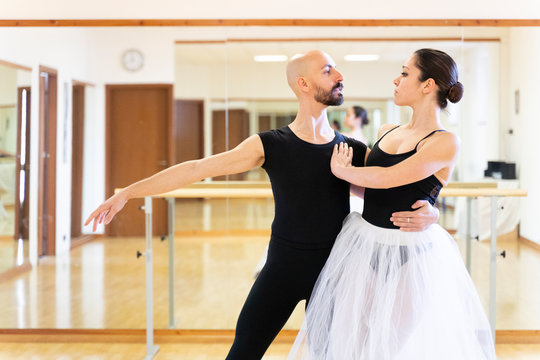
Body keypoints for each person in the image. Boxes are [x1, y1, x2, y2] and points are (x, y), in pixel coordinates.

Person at [85, 50, 440, 360]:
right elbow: (197, 169)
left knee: (333, 355)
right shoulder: (270, 144)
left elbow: (394, 191)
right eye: (328, 70)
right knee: (244, 351)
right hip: (282, 270)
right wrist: (128, 192)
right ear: (303, 84)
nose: (340, 76)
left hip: (335, 272)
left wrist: (432, 211)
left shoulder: (351, 150)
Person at [288, 49, 496, 359]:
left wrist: (344, 171)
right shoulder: (387, 132)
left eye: (405, 73)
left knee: (390, 343)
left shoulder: (444, 141)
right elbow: (371, 190)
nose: (396, 80)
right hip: (365, 246)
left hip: (412, 254)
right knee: (353, 339)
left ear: (428, 85)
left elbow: (391, 177)